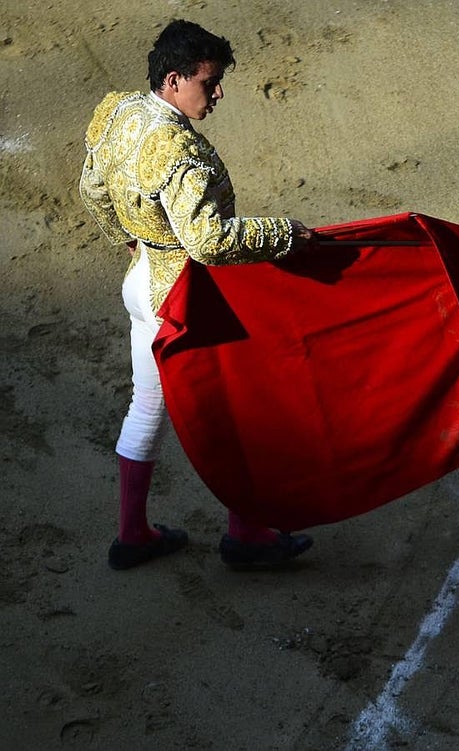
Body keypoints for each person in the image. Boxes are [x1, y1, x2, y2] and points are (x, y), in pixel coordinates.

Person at [79, 19, 316, 570]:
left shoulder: (119, 112)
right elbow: (208, 241)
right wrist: (285, 234)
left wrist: (132, 241)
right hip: (183, 304)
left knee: (148, 406)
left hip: (142, 288)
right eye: (208, 83)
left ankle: (134, 534)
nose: (217, 93)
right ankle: (247, 536)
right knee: (238, 412)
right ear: (174, 78)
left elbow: (92, 190)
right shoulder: (179, 150)